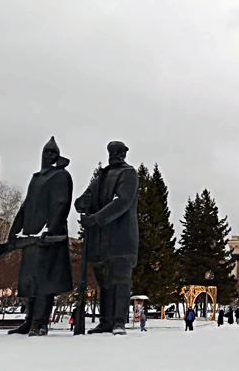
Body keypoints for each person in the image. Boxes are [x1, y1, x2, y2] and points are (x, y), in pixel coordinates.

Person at [5, 137, 73, 337]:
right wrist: (14, 232)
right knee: (29, 281)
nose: (50, 155)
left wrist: (50, 230)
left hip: (47, 237)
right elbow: (25, 206)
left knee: (44, 282)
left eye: (54, 152)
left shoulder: (61, 175)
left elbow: (62, 204)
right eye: (47, 151)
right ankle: (29, 320)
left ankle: (40, 322)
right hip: (30, 236)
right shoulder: (36, 178)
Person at [75, 141, 139, 336]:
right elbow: (83, 199)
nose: (117, 154)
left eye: (120, 151)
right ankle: (106, 320)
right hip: (101, 239)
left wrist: (95, 219)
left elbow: (122, 202)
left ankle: (119, 321)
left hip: (121, 236)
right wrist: (81, 203)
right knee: (104, 281)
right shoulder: (101, 177)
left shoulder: (129, 173)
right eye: (114, 151)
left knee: (120, 279)